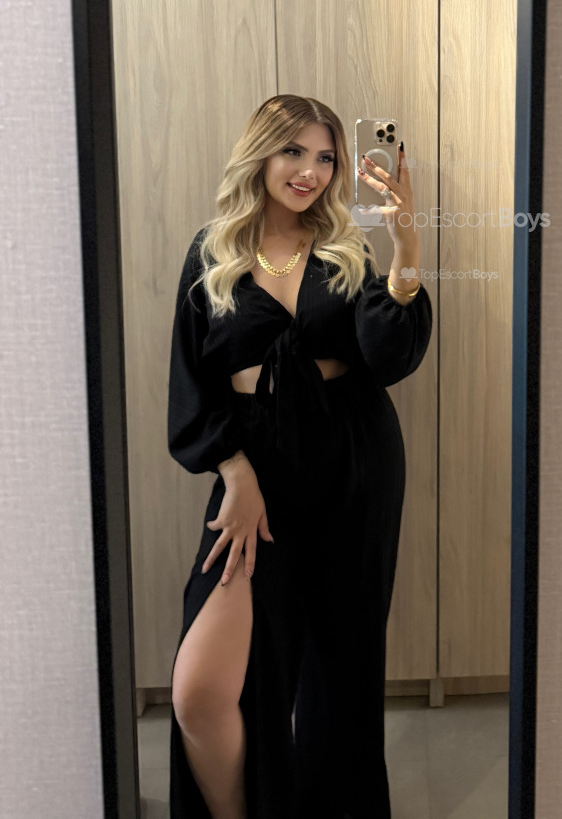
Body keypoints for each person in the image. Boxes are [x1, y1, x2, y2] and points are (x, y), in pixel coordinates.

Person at [166, 94, 432, 819]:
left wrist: (406, 248)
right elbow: (192, 379)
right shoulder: (212, 251)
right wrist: (235, 473)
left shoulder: (346, 246)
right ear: (261, 153)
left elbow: (387, 357)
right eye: (293, 152)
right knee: (201, 689)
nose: (310, 172)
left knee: (344, 666)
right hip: (255, 468)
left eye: (325, 157)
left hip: (354, 460)